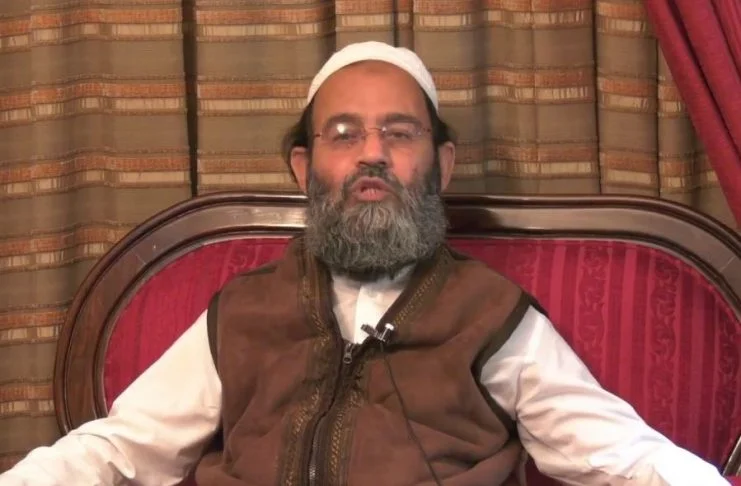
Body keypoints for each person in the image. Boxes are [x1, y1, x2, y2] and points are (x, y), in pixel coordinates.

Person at [0, 41, 731, 486]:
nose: (372, 154)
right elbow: (126, 447)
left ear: (441, 164)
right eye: (344, 133)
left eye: (399, 133)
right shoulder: (244, 310)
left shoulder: (488, 313)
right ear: (304, 166)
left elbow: (615, 451)